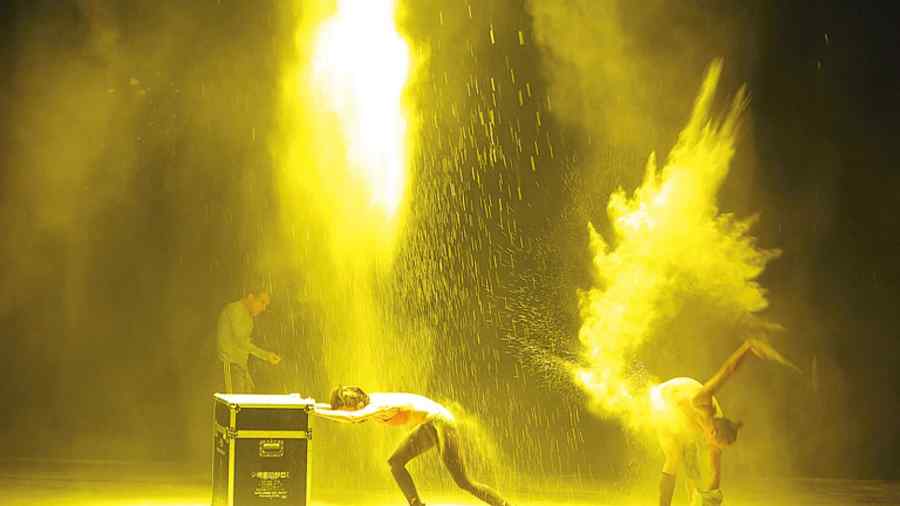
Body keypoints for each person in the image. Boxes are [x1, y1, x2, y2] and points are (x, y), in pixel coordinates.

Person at [652, 332, 800, 506]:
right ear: (714, 433)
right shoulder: (702, 400)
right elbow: (728, 370)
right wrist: (747, 347)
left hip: (685, 411)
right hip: (666, 396)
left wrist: (712, 499)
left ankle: (694, 500)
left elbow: (715, 474)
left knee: (691, 455)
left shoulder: (716, 439)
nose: (715, 449)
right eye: (716, 444)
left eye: (718, 447)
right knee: (674, 454)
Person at [314, 387, 513, 506]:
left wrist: (315, 412)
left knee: (463, 482)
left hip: (442, 423)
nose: (345, 413)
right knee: (396, 462)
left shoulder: (376, 405)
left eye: (346, 409)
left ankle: (503, 505)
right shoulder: (367, 401)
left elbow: (351, 418)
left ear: (356, 405)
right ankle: (417, 504)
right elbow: (344, 412)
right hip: (430, 424)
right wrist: (310, 406)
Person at [216, 291, 281, 393]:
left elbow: (244, 345)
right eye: (262, 302)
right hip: (230, 366)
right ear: (251, 297)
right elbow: (241, 341)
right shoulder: (234, 309)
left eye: (266, 305)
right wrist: (265, 355)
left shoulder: (249, 317)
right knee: (234, 402)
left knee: (244, 401)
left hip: (240, 368)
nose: (263, 308)